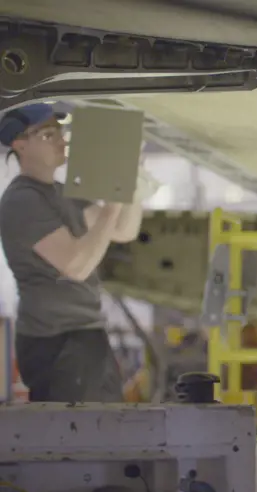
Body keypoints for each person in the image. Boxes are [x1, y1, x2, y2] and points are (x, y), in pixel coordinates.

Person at [0, 103, 148, 402]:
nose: (61, 139)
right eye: (48, 134)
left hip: (85, 333)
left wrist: (131, 175)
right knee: (76, 438)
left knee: (107, 431)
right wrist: (113, 203)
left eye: (61, 131)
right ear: (20, 145)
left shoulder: (60, 192)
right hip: (57, 341)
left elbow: (122, 230)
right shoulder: (23, 201)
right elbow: (76, 266)